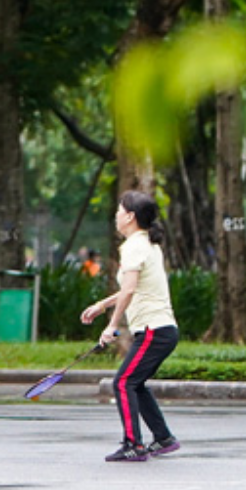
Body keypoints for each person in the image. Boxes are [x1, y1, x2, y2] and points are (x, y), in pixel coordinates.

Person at [81, 191, 181, 462]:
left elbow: (129, 291)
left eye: (119, 210)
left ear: (130, 217)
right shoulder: (147, 243)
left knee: (123, 382)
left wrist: (111, 326)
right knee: (134, 383)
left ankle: (133, 445)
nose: (116, 215)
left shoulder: (134, 246)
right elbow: (130, 289)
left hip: (153, 329)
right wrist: (103, 305)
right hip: (162, 329)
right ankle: (163, 438)